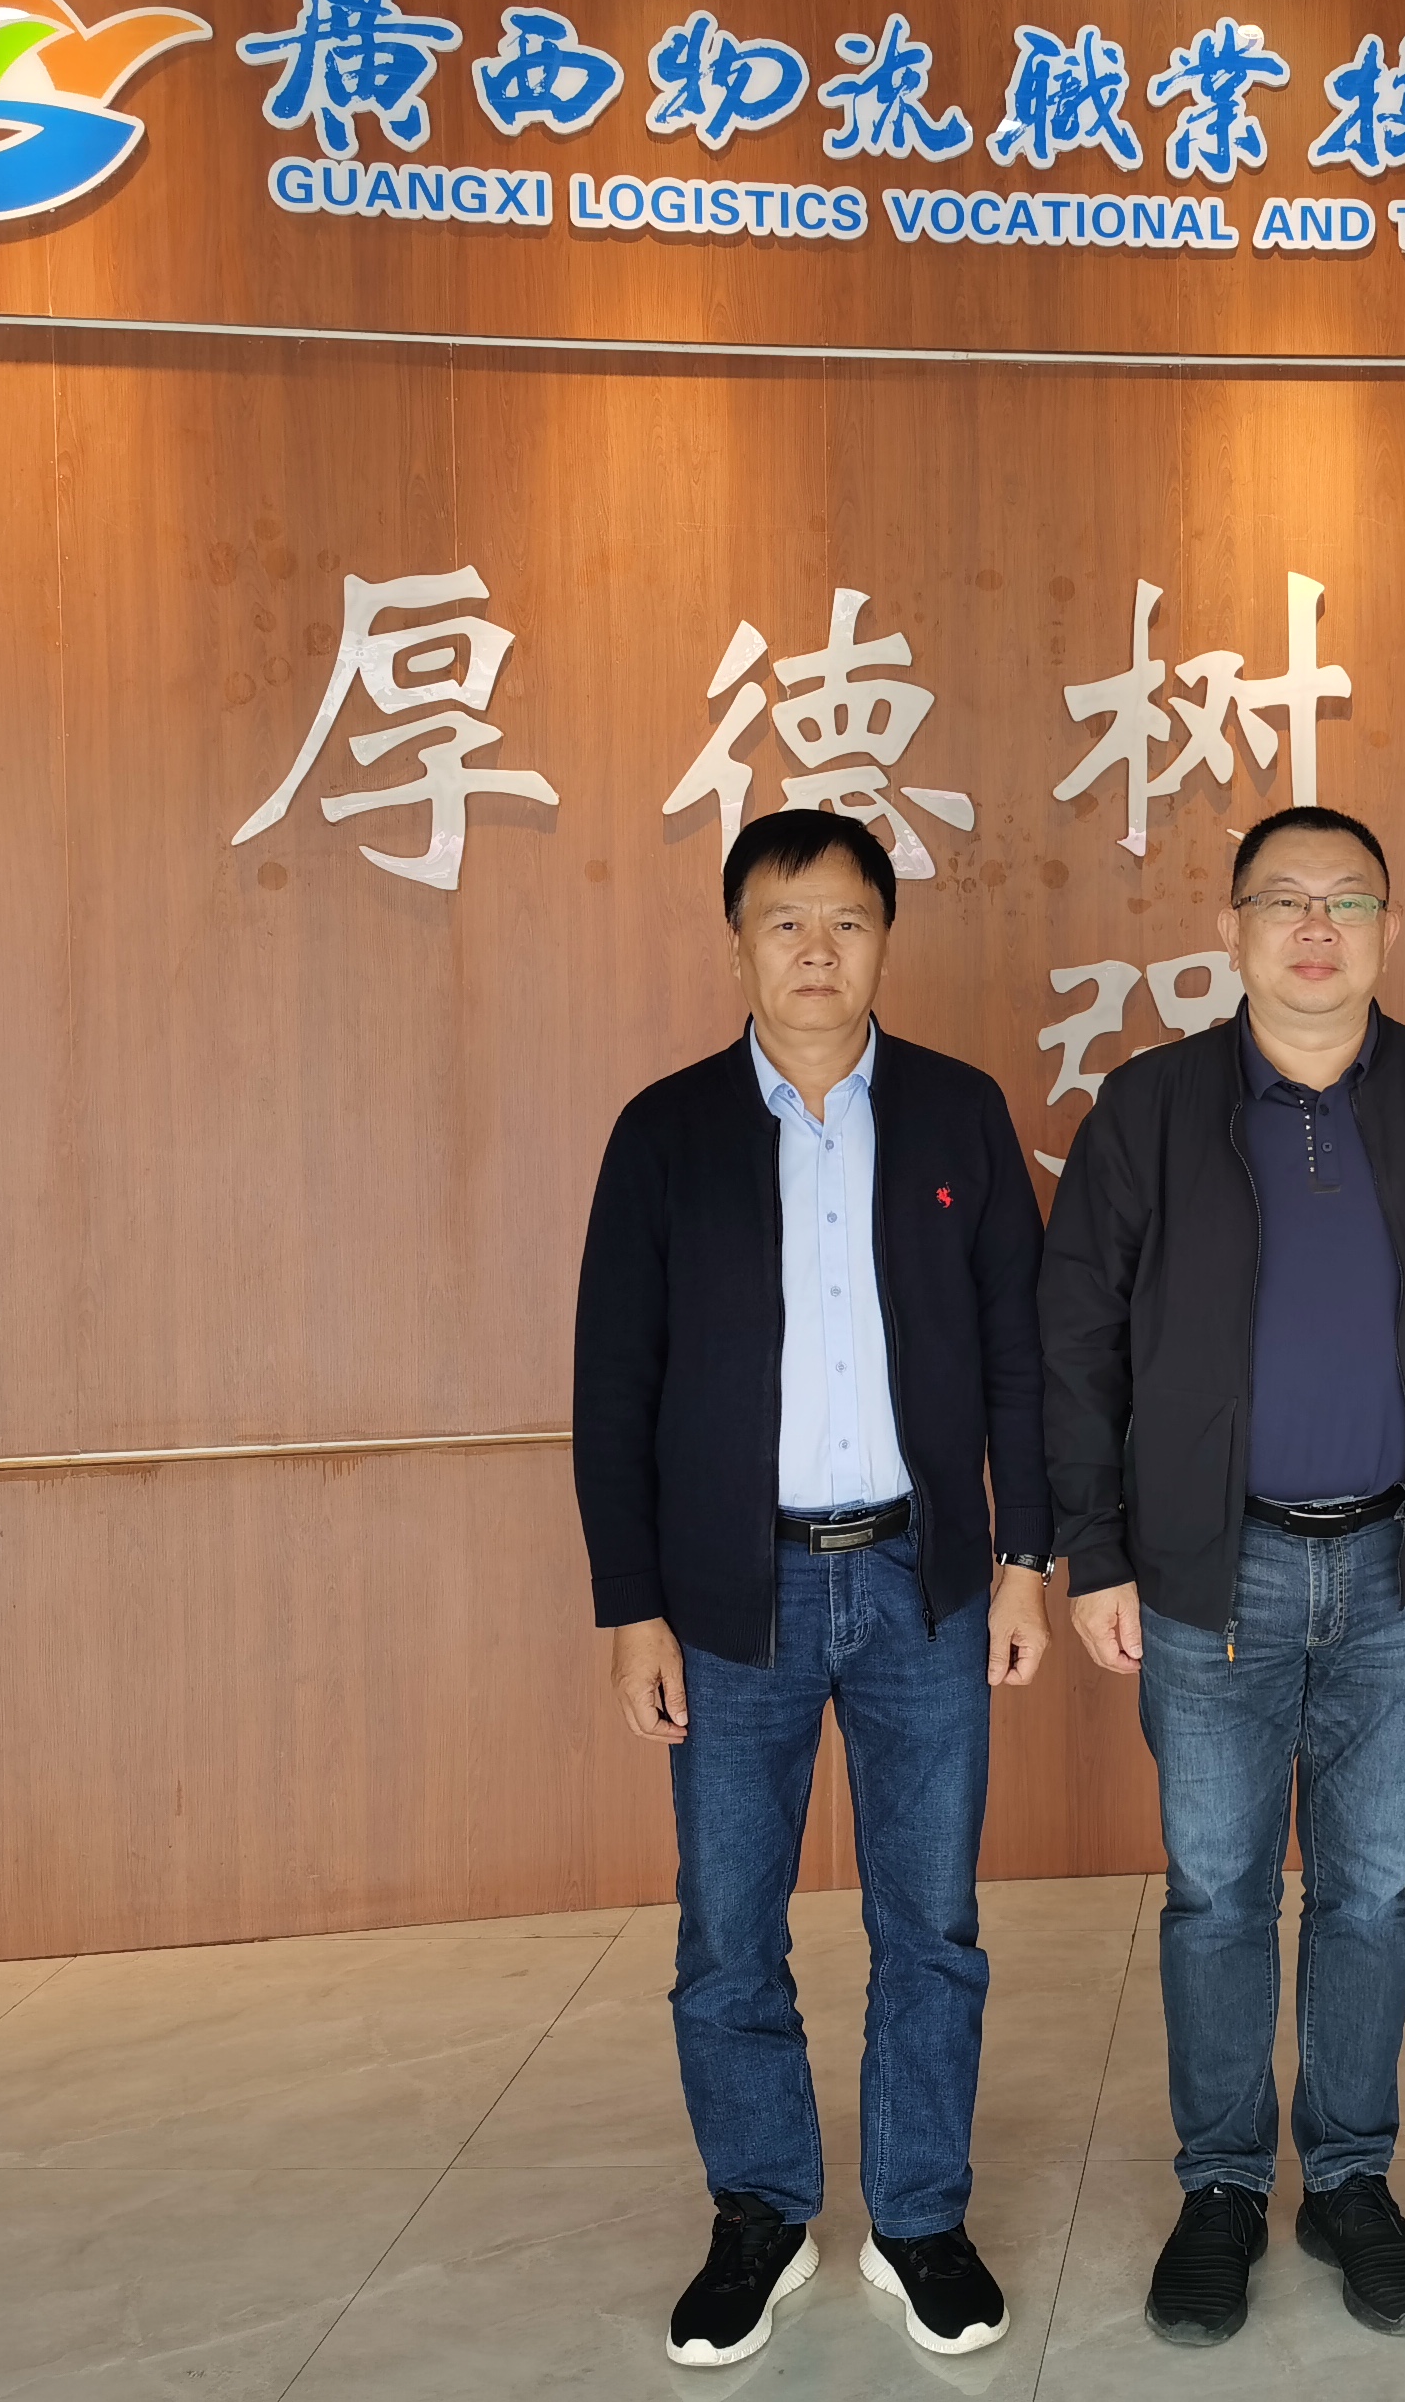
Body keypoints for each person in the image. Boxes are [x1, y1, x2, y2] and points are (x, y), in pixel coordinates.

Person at [1039, 805, 1405, 2347]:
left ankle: (1353, 2180)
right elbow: (1076, 1341)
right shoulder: (1152, 1108)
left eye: (1348, 900)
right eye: (1284, 900)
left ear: (1390, 929)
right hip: (1213, 1574)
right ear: (1233, 930)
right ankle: (1220, 2187)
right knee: (1217, 1895)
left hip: (1403, 1569)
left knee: (1372, 1893)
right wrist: (1095, 1550)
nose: (1317, 928)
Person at [570, 807, 1055, 2371]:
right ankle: (762, 2214)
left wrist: (1028, 1561)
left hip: (924, 1580)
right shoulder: (666, 1132)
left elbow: (1020, 1359)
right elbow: (613, 1385)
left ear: (884, 939)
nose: (816, 951)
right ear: (739, 943)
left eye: (846, 920)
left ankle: (919, 2219)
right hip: (732, 1596)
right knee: (728, 1931)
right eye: (784, 922)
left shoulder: (960, 1115)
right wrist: (632, 1607)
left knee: (933, 1925)